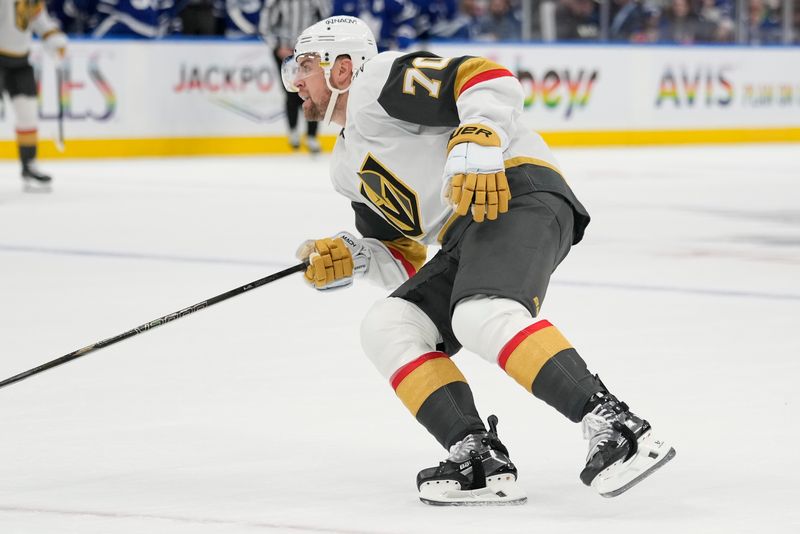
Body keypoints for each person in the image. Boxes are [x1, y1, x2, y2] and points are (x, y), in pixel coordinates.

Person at [286, 15, 675, 505]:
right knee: (389, 323)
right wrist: (356, 255)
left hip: (517, 189)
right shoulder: (345, 168)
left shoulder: (375, 82)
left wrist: (478, 131)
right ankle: (476, 455)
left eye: (303, 66)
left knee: (479, 312)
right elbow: (405, 256)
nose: (295, 81)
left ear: (342, 67)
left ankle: (617, 425)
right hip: (465, 233)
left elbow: (484, 75)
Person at [1, 0, 68, 190]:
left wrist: (53, 37)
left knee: (28, 114)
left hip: (20, 60)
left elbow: (39, 18)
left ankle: (29, 166)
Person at [259, 0, 331, 153]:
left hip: (309, 53)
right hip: (284, 52)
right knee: (291, 91)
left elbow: (326, 20)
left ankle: (312, 136)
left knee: (313, 92)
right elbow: (265, 25)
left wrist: (317, 48)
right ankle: (293, 131)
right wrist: (277, 46)